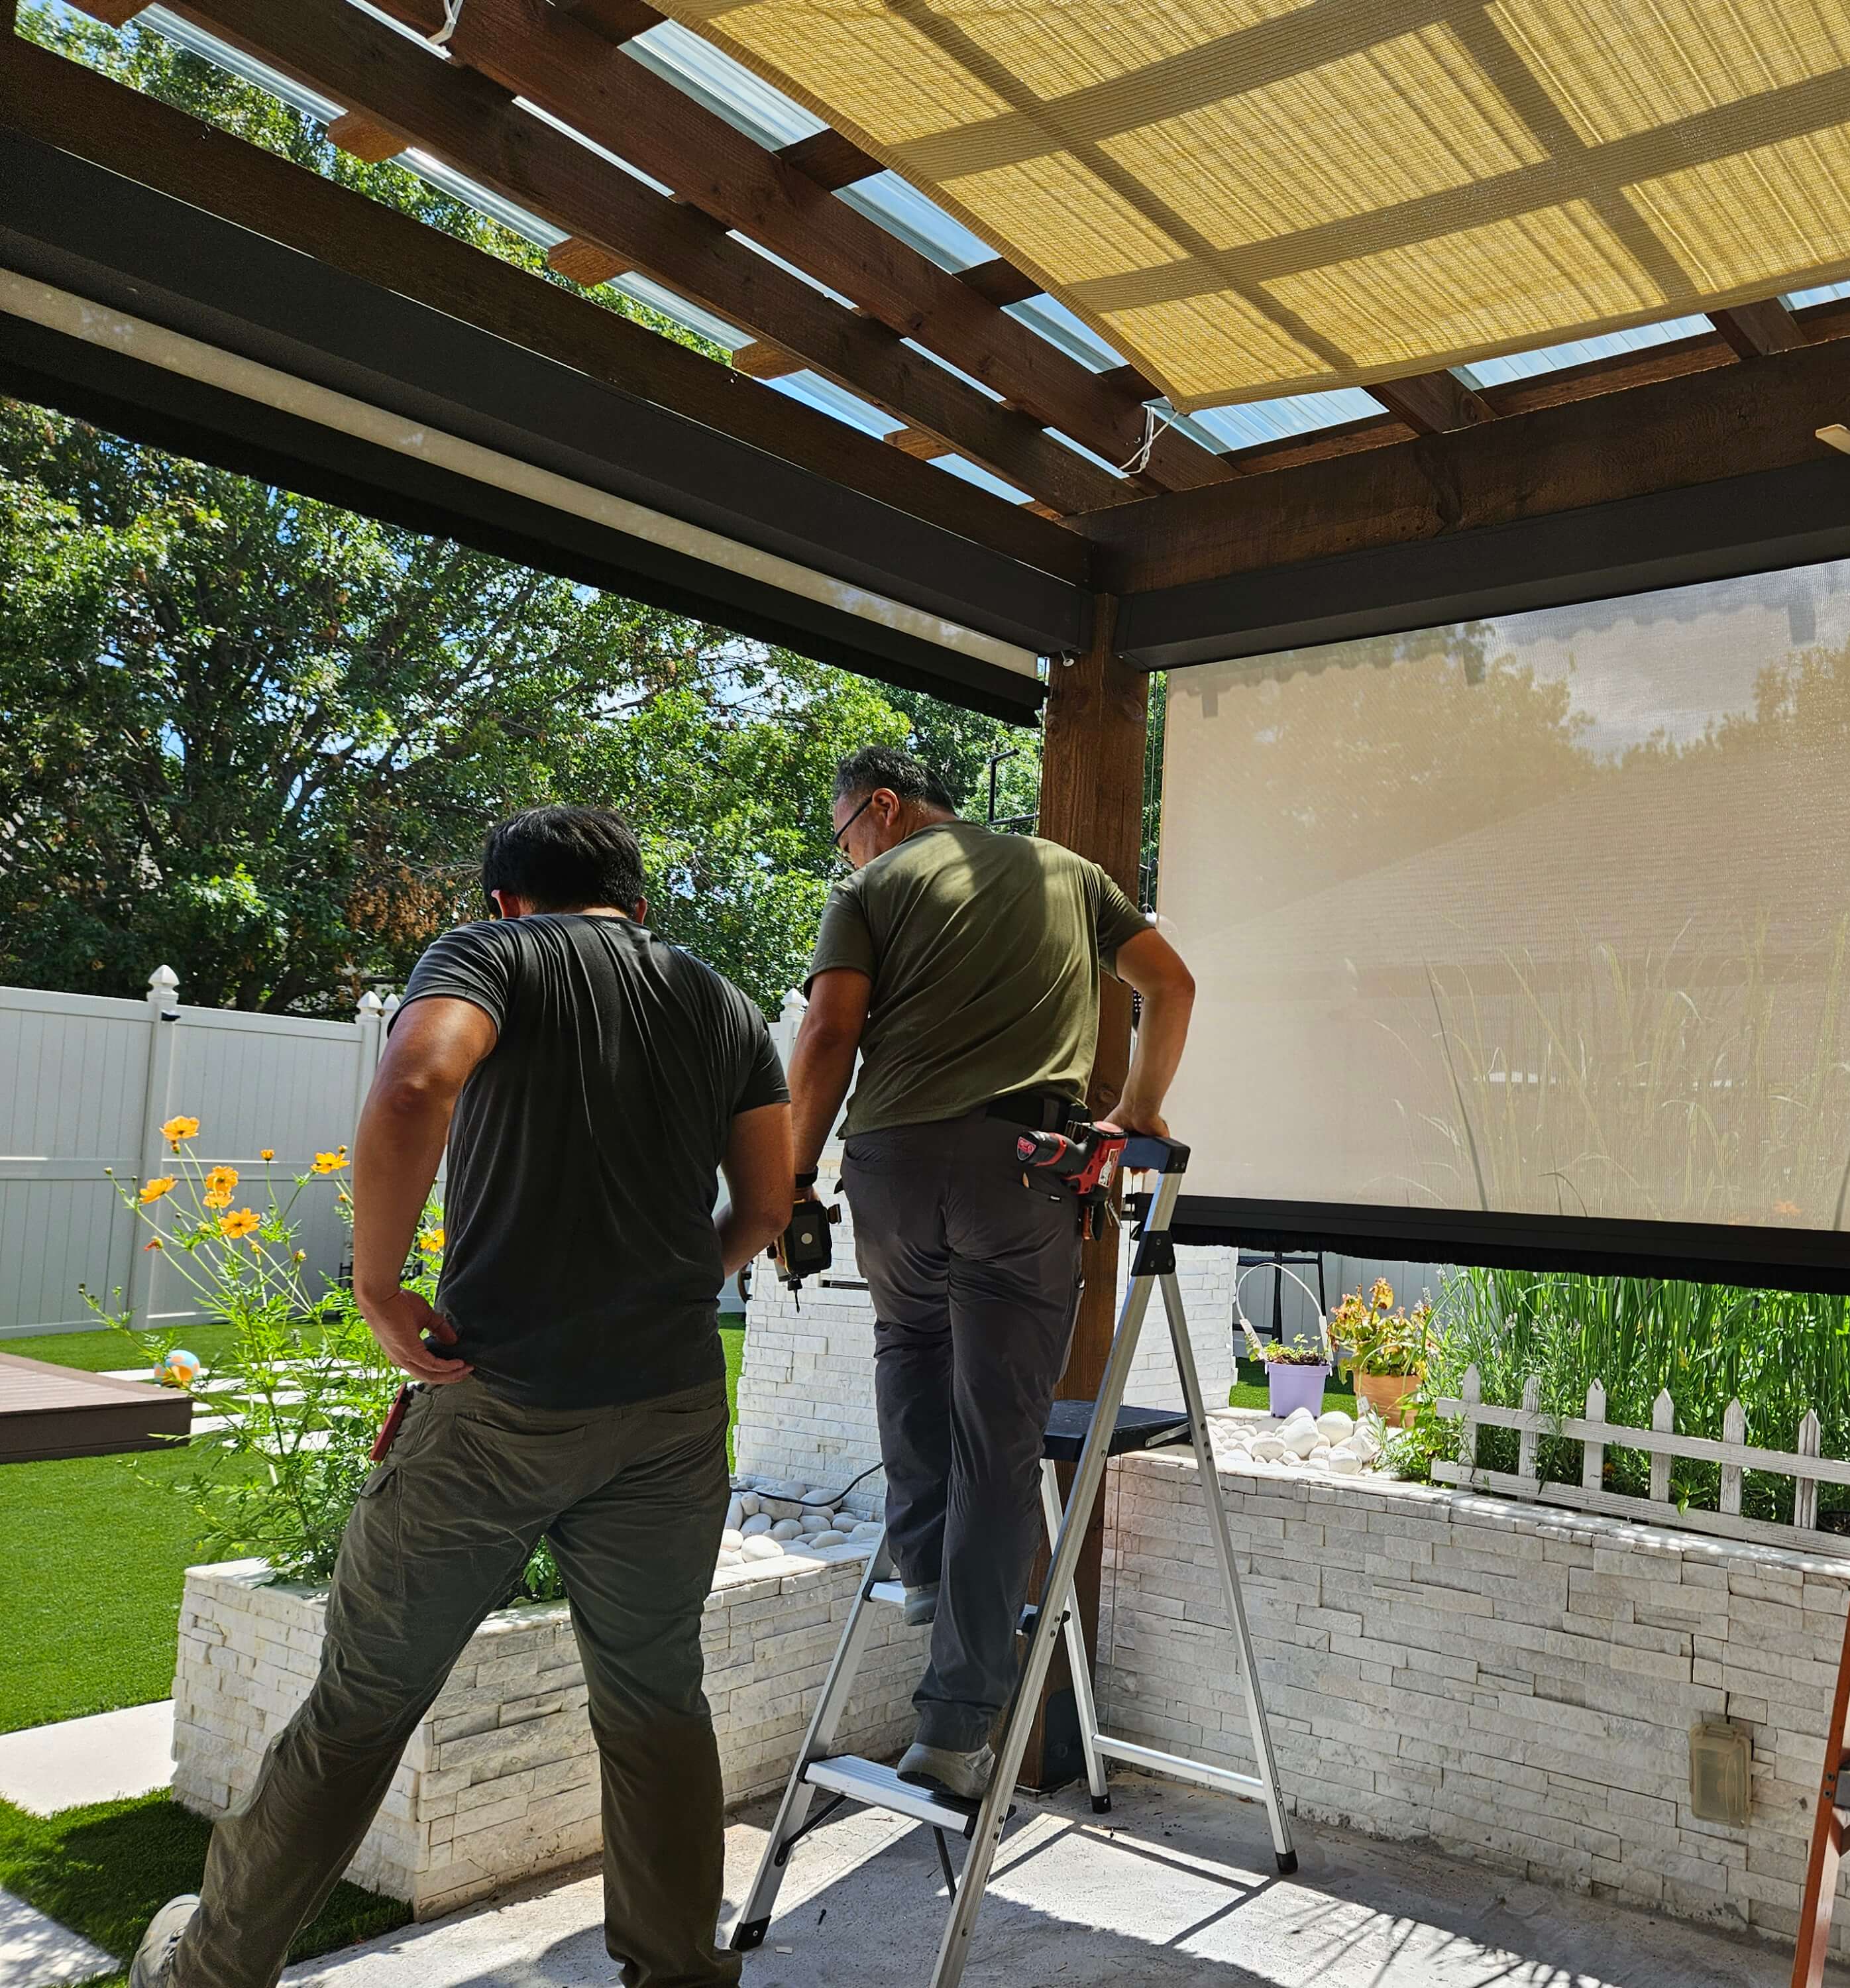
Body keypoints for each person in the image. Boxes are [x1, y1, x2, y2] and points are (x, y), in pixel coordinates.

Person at [133, 806, 792, 1988]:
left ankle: (209, 1974)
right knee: (657, 1702)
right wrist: (675, 1284)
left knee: (364, 1702)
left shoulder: (490, 955)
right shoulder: (722, 1000)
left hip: (498, 1401)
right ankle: (679, 1975)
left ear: (506, 901)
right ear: (637, 905)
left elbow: (414, 1086)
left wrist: (378, 1287)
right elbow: (766, 1208)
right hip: (673, 1407)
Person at [785, 744, 1195, 1801]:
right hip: (1021, 1170)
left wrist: (792, 1176)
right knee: (1000, 1438)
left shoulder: (871, 888)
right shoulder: (1070, 873)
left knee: (907, 1347)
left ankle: (924, 1571)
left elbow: (830, 1030)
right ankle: (957, 1726)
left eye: (845, 832)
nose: (849, 851)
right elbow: (1171, 985)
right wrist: (1139, 1107)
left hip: (889, 1166)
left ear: (882, 808)